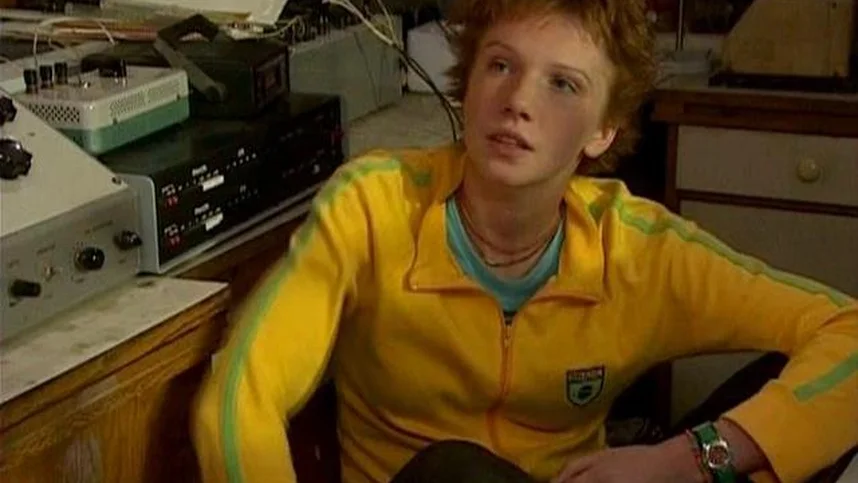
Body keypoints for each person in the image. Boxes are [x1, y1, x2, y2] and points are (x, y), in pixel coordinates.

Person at [191, 0, 858, 481]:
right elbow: (240, 393)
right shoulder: (373, 207)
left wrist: (687, 458)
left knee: (800, 399)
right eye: (500, 65)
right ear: (469, 84)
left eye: (563, 84)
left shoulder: (636, 250)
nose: (518, 101)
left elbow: (848, 333)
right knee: (456, 472)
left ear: (603, 129)